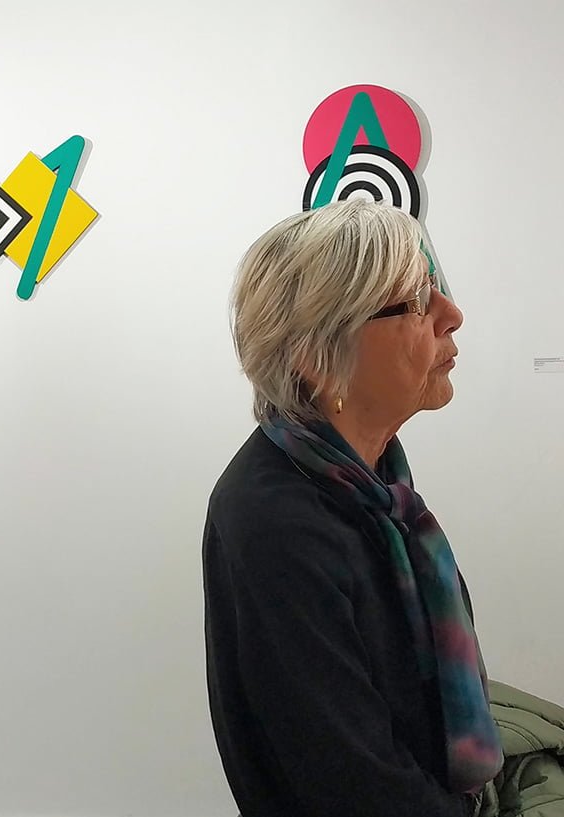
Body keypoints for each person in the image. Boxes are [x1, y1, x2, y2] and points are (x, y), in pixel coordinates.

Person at [203, 200, 501, 817]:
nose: (452, 315)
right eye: (415, 302)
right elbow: (349, 777)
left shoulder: (378, 480)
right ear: (316, 356)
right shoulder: (274, 519)